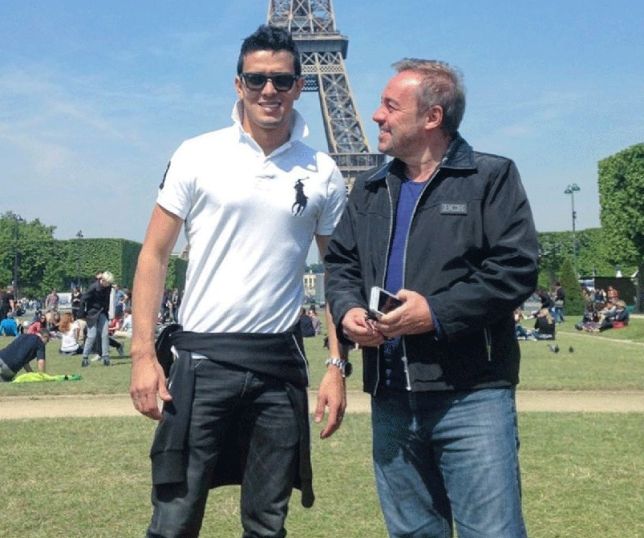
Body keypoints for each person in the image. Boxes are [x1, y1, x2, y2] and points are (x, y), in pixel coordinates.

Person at [129, 25, 348, 538]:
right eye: (256, 79)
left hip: (278, 367)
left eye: (281, 80)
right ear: (238, 84)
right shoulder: (196, 154)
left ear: (299, 86)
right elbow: (154, 254)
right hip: (203, 362)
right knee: (174, 519)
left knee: (268, 524)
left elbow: (339, 273)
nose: (269, 90)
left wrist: (337, 366)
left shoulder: (323, 171)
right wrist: (141, 355)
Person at [325, 59, 539, 537]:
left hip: (471, 395)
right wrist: (349, 310)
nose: (376, 115)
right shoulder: (369, 188)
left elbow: (516, 269)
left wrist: (435, 313)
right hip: (391, 397)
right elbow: (341, 265)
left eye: (390, 105)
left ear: (432, 117)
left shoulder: (490, 177)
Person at [80, 271, 114, 367]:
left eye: (110, 283)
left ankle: (105, 357)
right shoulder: (93, 287)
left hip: (102, 312)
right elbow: (83, 299)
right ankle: (85, 358)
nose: (109, 285)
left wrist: (107, 312)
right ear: (103, 280)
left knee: (105, 334)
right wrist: (82, 314)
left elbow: (107, 300)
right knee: (92, 336)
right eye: (108, 283)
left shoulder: (108, 287)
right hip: (92, 313)